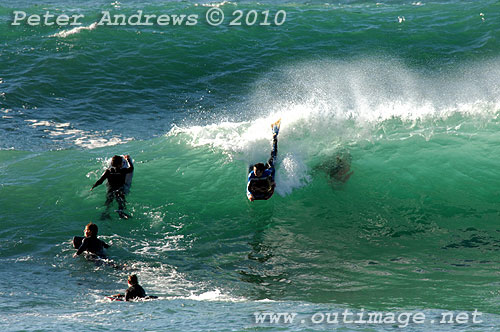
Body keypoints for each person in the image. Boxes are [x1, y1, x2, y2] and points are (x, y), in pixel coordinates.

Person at [247, 120, 280, 201]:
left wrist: (272, 182)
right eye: (254, 171)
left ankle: (274, 137)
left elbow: (273, 174)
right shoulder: (251, 175)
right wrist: (250, 196)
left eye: (256, 172)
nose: (255, 173)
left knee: (273, 156)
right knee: (250, 165)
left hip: (269, 168)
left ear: (261, 172)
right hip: (263, 172)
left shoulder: (267, 172)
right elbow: (247, 188)